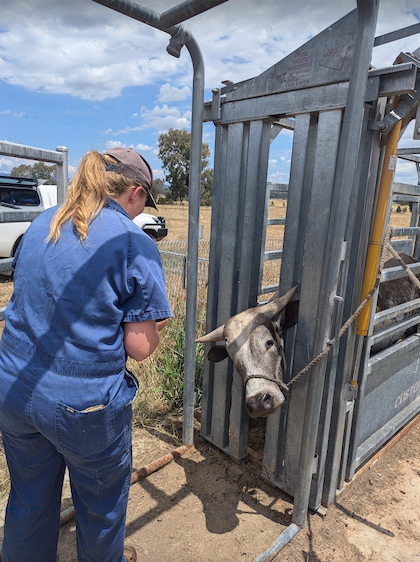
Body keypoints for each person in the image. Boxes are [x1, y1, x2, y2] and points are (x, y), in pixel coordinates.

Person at [0, 147, 172, 562]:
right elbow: (140, 347)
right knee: (101, 508)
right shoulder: (133, 241)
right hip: (84, 406)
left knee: (28, 498)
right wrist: (158, 323)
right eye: (142, 203)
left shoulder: (46, 221)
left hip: (14, 387)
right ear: (134, 192)